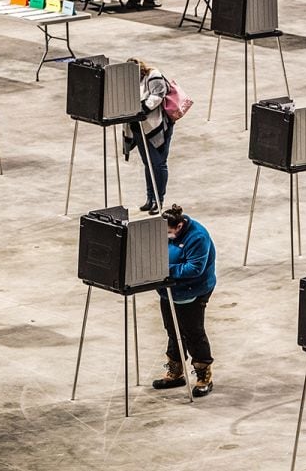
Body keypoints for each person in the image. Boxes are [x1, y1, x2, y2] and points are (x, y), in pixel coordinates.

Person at [152, 204, 217, 398]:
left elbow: (194, 268)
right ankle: (175, 370)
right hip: (168, 290)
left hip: (193, 291)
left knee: (193, 332)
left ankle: (203, 375)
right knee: (172, 330)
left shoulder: (198, 237)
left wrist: (163, 269)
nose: (166, 236)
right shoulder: (162, 229)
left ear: (179, 226)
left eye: (169, 232)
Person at [123, 57, 173, 214]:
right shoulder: (128, 82)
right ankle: (150, 198)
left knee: (158, 163)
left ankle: (159, 200)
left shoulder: (153, 75)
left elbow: (157, 96)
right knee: (148, 164)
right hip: (138, 127)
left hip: (156, 127)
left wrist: (140, 109)